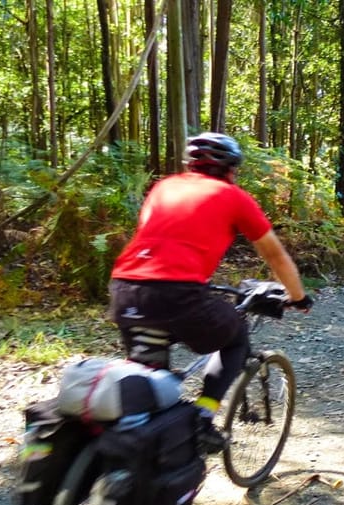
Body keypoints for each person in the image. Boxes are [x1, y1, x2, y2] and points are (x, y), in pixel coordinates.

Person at [108, 132, 314, 452]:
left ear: (191, 164)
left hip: (125, 290)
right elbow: (275, 255)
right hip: (178, 296)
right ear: (231, 169)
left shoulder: (164, 187)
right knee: (236, 337)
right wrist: (298, 296)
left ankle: (144, 450)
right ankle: (204, 417)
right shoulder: (233, 196)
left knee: (149, 382)